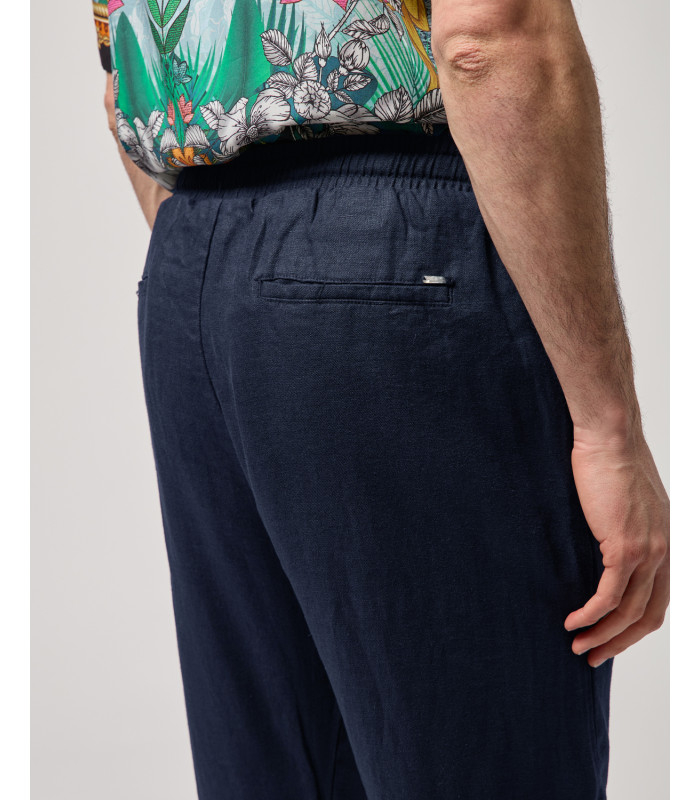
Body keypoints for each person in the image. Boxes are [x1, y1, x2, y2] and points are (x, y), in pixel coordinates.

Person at [93, 1, 670, 798]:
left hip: (191, 263)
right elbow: (488, 35)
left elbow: (119, 73)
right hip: (393, 258)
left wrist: (230, 274)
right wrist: (607, 430)